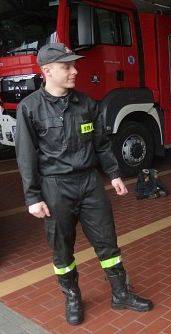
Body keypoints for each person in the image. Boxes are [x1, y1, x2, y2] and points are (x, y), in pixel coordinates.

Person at [15, 43, 153, 325]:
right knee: (62, 248)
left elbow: (101, 144)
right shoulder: (29, 108)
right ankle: (73, 297)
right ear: (47, 71)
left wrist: (113, 174)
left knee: (107, 242)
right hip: (55, 187)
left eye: (73, 65)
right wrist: (32, 197)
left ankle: (120, 294)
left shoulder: (87, 104)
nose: (75, 71)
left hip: (89, 183)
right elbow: (25, 156)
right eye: (67, 67)